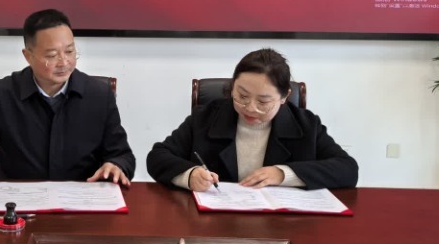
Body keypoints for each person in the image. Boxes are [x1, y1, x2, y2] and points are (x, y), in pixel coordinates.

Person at [0, 9, 135, 201]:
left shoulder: (99, 95)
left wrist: (116, 165)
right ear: (28, 56)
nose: (64, 62)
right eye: (52, 55)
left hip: (81, 203)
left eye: (70, 51)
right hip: (18, 204)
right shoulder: (2, 94)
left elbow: (121, 154)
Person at [147, 48, 357, 192]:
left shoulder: (306, 125)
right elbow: (157, 157)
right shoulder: (206, 117)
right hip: (214, 223)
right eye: (242, 95)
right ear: (233, 86)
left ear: (284, 96)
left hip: (283, 226)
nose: (250, 108)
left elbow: (348, 169)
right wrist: (190, 174)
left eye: (263, 102)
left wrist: (283, 174)